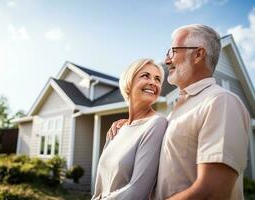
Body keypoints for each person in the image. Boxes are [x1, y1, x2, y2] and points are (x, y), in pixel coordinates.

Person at [108, 24, 250, 200]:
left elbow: (212, 192)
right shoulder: (175, 113)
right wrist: (130, 125)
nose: (167, 60)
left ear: (198, 54)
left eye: (173, 51)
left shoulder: (221, 102)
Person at [91, 58, 168, 200]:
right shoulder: (117, 129)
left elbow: (137, 191)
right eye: (146, 76)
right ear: (129, 82)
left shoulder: (157, 124)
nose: (153, 82)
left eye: (157, 79)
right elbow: (99, 187)